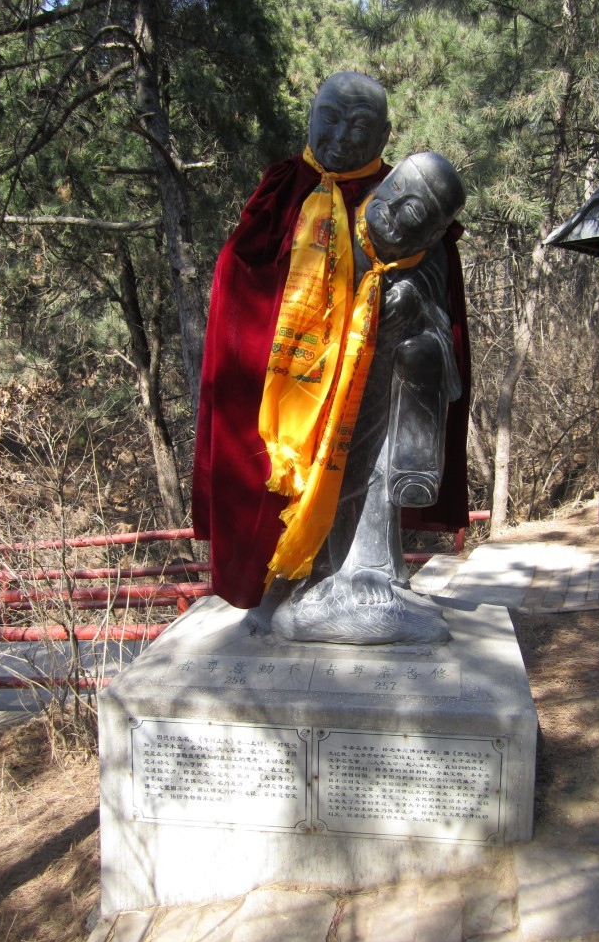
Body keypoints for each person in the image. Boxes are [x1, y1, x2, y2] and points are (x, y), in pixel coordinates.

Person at [193, 74, 470, 617]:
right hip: (290, 380)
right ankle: (285, 576)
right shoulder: (282, 191)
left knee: (364, 465)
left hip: (372, 377)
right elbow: (241, 285)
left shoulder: (408, 192)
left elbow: (438, 292)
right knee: (278, 472)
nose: (342, 136)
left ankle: (368, 568)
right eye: (331, 118)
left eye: (361, 125)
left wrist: (410, 298)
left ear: (386, 135)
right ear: (310, 115)